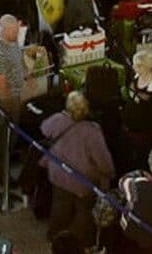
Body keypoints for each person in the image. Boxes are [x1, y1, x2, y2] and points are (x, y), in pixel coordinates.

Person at [40, 91, 115, 246]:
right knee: (84, 211)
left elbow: (44, 128)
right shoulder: (92, 131)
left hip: (58, 174)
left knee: (60, 205)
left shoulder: (58, 120)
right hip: (83, 180)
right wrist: (109, 173)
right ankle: (79, 242)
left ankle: (55, 235)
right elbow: (103, 160)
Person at [0, 15, 25, 183]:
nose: (17, 34)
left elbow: (17, 60)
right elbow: (0, 83)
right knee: (1, 139)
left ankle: (7, 159)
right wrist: (11, 99)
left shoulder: (12, 42)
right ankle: (0, 174)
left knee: (10, 136)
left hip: (14, 98)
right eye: (14, 32)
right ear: (4, 31)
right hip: (4, 101)